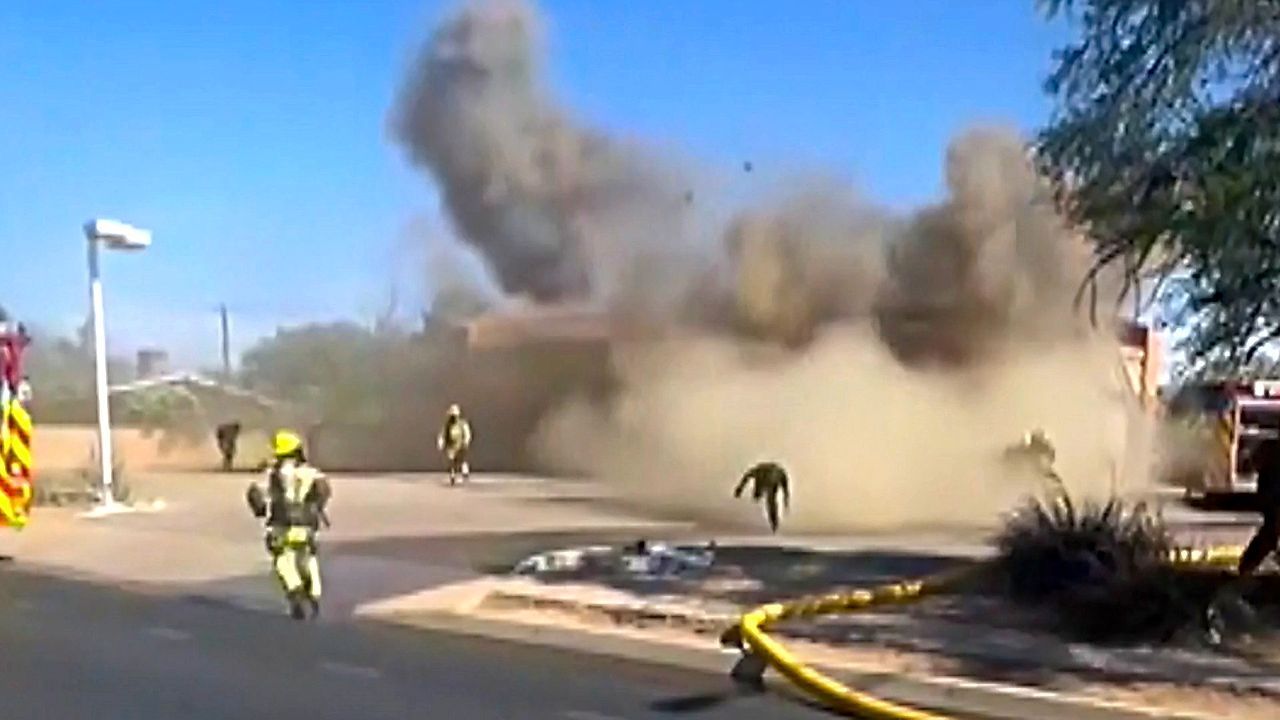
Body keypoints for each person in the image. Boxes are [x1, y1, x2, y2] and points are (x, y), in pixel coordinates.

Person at [245, 430, 332, 619]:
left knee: (283, 559)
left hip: (281, 526)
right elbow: (323, 494)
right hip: (307, 526)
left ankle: (296, 591)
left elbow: (257, 495)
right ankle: (315, 593)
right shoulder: (314, 474)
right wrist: (314, 509)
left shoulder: (272, 473)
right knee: (308, 557)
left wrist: (260, 510)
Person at [1238, 437, 1280, 578]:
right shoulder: (1270, 447)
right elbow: (1250, 465)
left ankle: (1246, 567)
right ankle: (1246, 568)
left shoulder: (1269, 447)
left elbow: (1250, 465)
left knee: (1270, 533)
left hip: (1270, 498)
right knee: (1270, 533)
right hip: (1272, 498)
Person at [734, 461, 791, 533]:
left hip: (774, 475)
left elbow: (746, 477)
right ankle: (774, 523)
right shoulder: (757, 473)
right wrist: (739, 489)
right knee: (770, 499)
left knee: (770, 500)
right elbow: (747, 476)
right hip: (774, 473)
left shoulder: (766, 480)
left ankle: (774, 524)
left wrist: (739, 489)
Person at [436, 404, 473, 485]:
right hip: (451, 446)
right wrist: (441, 442)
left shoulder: (462, 423)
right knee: (452, 461)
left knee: (461, 459)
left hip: (460, 445)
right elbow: (443, 434)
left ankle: (464, 470)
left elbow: (467, 433)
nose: (453, 417)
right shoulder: (447, 425)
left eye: (454, 414)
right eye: (452, 415)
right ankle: (452, 475)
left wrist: (466, 441)